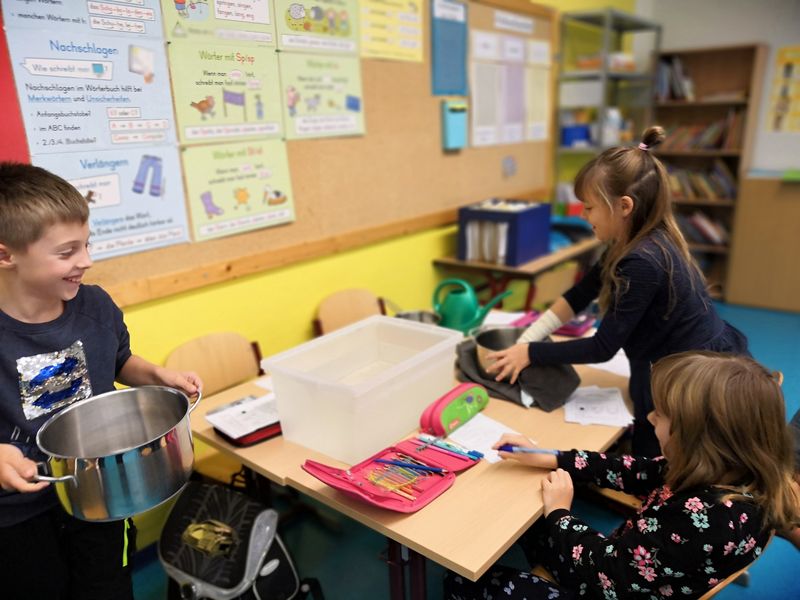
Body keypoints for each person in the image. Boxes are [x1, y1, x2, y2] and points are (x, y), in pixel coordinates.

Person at [0, 162, 203, 600]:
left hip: (100, 495)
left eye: (87, 245)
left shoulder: (94, 307)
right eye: (67, 252)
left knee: (107, 587)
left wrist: (157, 375)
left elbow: (119, 361)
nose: (86, 261)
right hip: (19, 516)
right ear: (5, 255)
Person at [445, 351, 800, 599]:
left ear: (696, 438)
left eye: (660, 415)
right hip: (633, 567)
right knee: (525, 519)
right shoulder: (724, 470)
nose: (649, 419)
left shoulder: (704, 516)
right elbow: (627, 470)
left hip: (613, 583)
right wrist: (551, 456)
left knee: (462, 581)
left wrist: (560, 514)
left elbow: (607, 571)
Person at [487, 127, 748, 456]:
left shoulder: (642, 261)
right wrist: (528, 339)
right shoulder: (630, 243)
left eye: (589, 207)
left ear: (624, 206)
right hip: (670, 357)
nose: (584, 215)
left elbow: (602, 347)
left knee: (653, 453)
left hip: (689, 372)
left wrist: (530, 353)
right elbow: (580, 294)